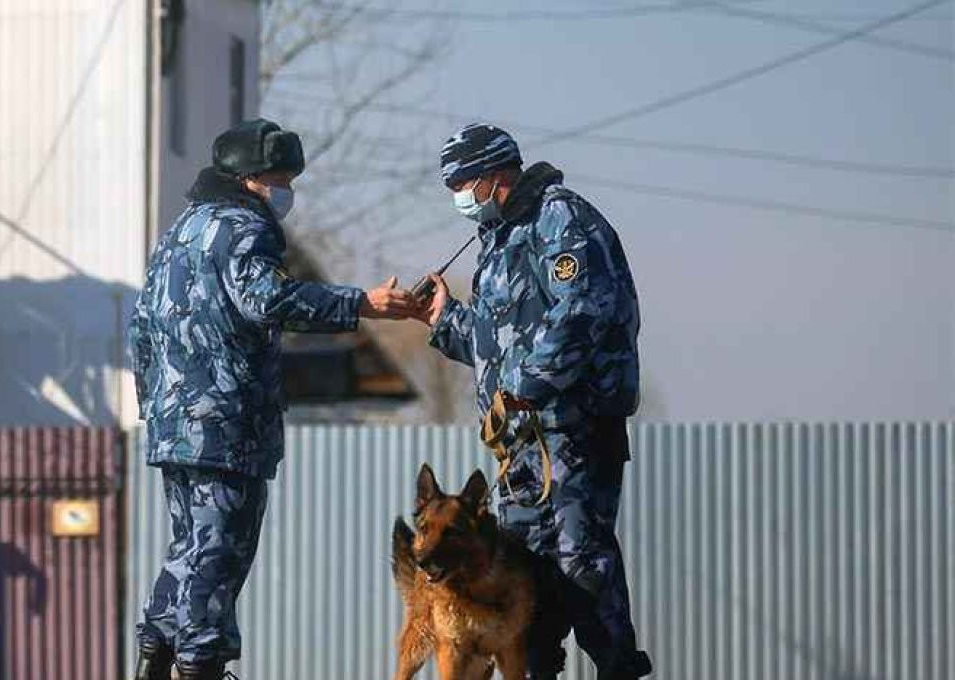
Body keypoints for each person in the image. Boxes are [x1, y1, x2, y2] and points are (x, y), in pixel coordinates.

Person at [128, 119, 421, 680]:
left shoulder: (179, 233)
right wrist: (362, 303)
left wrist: (158, 407)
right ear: (252, 179)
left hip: (175, 425)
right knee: (220, 553)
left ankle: (155, 662)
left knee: (188, 549)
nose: (287, 191)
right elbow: (268, 300)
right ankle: (200, 667)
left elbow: (140, 326)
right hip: (226, 425)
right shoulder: (244, 227)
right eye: (282, 179)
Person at [419, 123, 653, 680]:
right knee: (523, 570)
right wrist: (441, 319)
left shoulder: (560, 218)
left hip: (571, 426)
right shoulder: (497, 240)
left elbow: (583, 310)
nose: (459, 194)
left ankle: (618, 669)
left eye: (465, 181)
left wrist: (529, 385)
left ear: (496, 175)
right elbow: (494, 345)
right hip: (520, 442)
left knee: (581, 560)